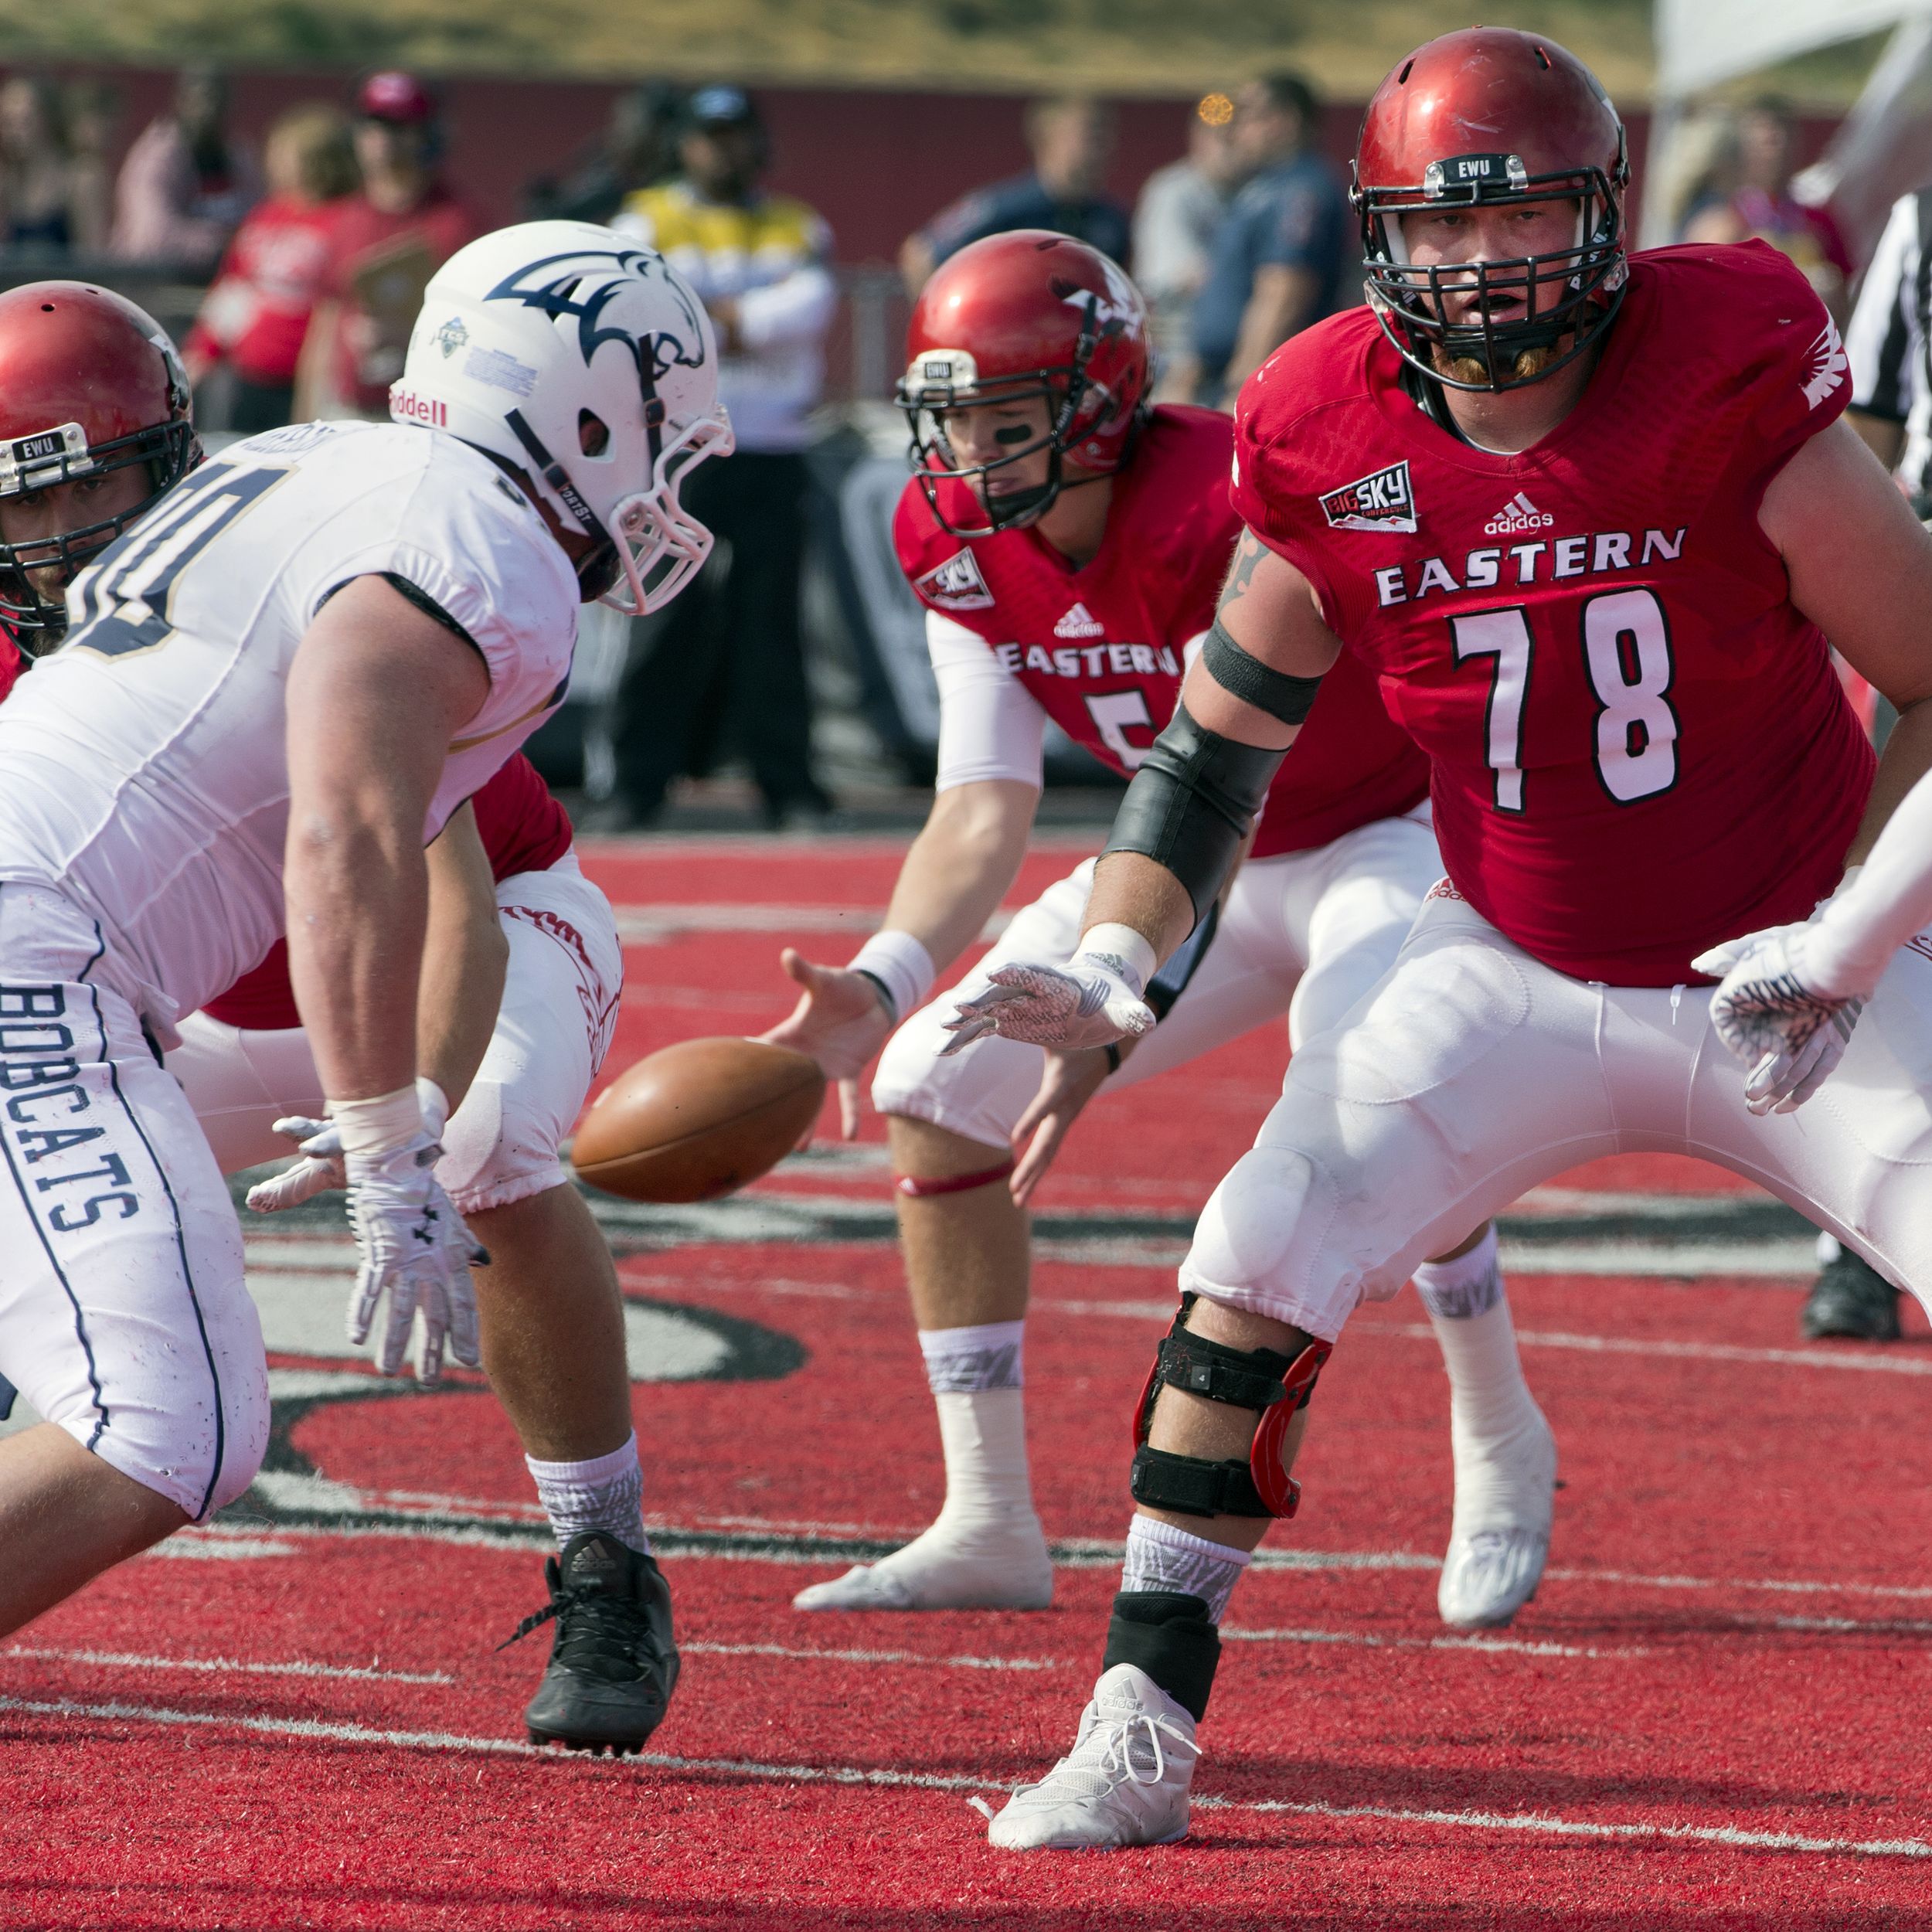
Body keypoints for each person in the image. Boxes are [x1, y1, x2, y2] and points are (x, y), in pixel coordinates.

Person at [955, 28, 1932, 1851]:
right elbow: (1207, 747)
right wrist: (1113, 966)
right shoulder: (1322, 427)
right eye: (1440, 229)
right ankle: (1138, 1718)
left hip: (1786, 974)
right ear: (1378, 240)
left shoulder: (1720, 364)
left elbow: (1931, 670)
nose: (1483, 268)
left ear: (1609, 221)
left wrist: (1853, 930)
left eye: (1525, 220)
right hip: (1512, 958)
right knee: (1257, 1239)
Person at [0, 230, 730, 1758]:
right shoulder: (457, 541)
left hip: (453, 939)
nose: (62, 531)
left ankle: (603, 1554)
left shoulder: (371, 514)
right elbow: (331, 836)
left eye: (87, 481)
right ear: (589, 416)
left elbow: (417, 887)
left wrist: (403, 1132)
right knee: (162, 1416)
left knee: (488, 1148)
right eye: (27, 494)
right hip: (128, 973)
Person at [761, 230, 1553, 1634]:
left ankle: (1497, 1433)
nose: (969, 456)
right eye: (948, 422)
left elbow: (1220, 776)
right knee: (932, 1086)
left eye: (1005, 421)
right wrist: (886, 980)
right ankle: (989, 1519)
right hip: (1187, 875)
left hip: (1386, 827)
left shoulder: (1224, 498)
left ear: (1100, 401)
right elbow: (980, 805)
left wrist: (1122, 1001)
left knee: (1378, 1090)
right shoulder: (948, 537)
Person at [600, 87, 835, 829]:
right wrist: (745, 320)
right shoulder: (645, 217)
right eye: (709, 135)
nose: (722, 150)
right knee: (661, 613)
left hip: (772, 443)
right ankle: (636, 785)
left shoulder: (795, 223)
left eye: (736, 135)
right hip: (676, 450)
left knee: (771, 622)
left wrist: (705, 316)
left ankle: (788, 787)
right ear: (685, 144)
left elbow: (811, 306)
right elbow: (632, 307)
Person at [293, 71, 478, 422]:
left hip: (424, 413)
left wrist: (412, 336)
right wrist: (304, 420)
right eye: (372, 123)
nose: (382, 138)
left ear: (426, 135)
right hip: (348, 409)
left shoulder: (457, 223)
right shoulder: (345, 219)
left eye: (398, 126)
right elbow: (325, 325)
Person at [183, 104, 359, 434]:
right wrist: (204, 348)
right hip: (249, 375)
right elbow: (234, 286)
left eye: (285, 153)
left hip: (303, 380)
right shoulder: (268, 214)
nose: (274, 161)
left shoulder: (345, 219)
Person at [1181, 72, 1349, 407]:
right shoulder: (1261, 188)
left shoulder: (1302, 190)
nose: (1235, 129)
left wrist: (1241, 389)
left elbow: (1283, 294)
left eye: (1249, 115)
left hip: (1258, 385)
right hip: (1216, 378)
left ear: (1284, 121)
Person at [900, 97, 1130, 296]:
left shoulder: (1113, 220)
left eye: (1107, 137)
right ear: (1047, 137)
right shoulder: (1001, 208)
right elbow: (921, 253)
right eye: (1090, 137)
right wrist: (943, 328)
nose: (1101, 149)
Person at [1681, 97, 1851, 320]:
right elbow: (1698, 299)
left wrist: (1830, 292)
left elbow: (1850, 290)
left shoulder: (1817, 220)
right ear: (1743, 149)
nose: (1775, 153)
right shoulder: (1720, 221)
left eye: (1783, 139)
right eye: (1766, 142)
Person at [1132, 94, 1247, 389]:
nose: (1229, 146)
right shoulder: (1173, 192)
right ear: (1197, 138)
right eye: (1220, 137)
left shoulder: (1250, 192)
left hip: (1223, 355)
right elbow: (1188, 278)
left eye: (1235, 135)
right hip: (1174, 355)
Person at [108, 66, 258, 270]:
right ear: (182, 101)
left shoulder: (238, 156)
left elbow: (258, 218)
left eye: (221, 99)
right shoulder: (156, 156)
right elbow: (154, 232)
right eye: (204, 98)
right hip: (158, 282)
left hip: (221, 283)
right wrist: (221, 244)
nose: (211, 108)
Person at [523, 82, 682, 226]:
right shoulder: (606, 171)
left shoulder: (680, 187)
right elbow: (555, 216)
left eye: (632, 126)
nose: (619, 135)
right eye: (621, 123)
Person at [0, 77, 106, 252]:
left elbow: (94, 259)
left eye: (24, 121)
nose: (15, 133)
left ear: (49, 118)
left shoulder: (79, 179)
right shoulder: (9, 184)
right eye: (8, 122)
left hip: (66, 280)